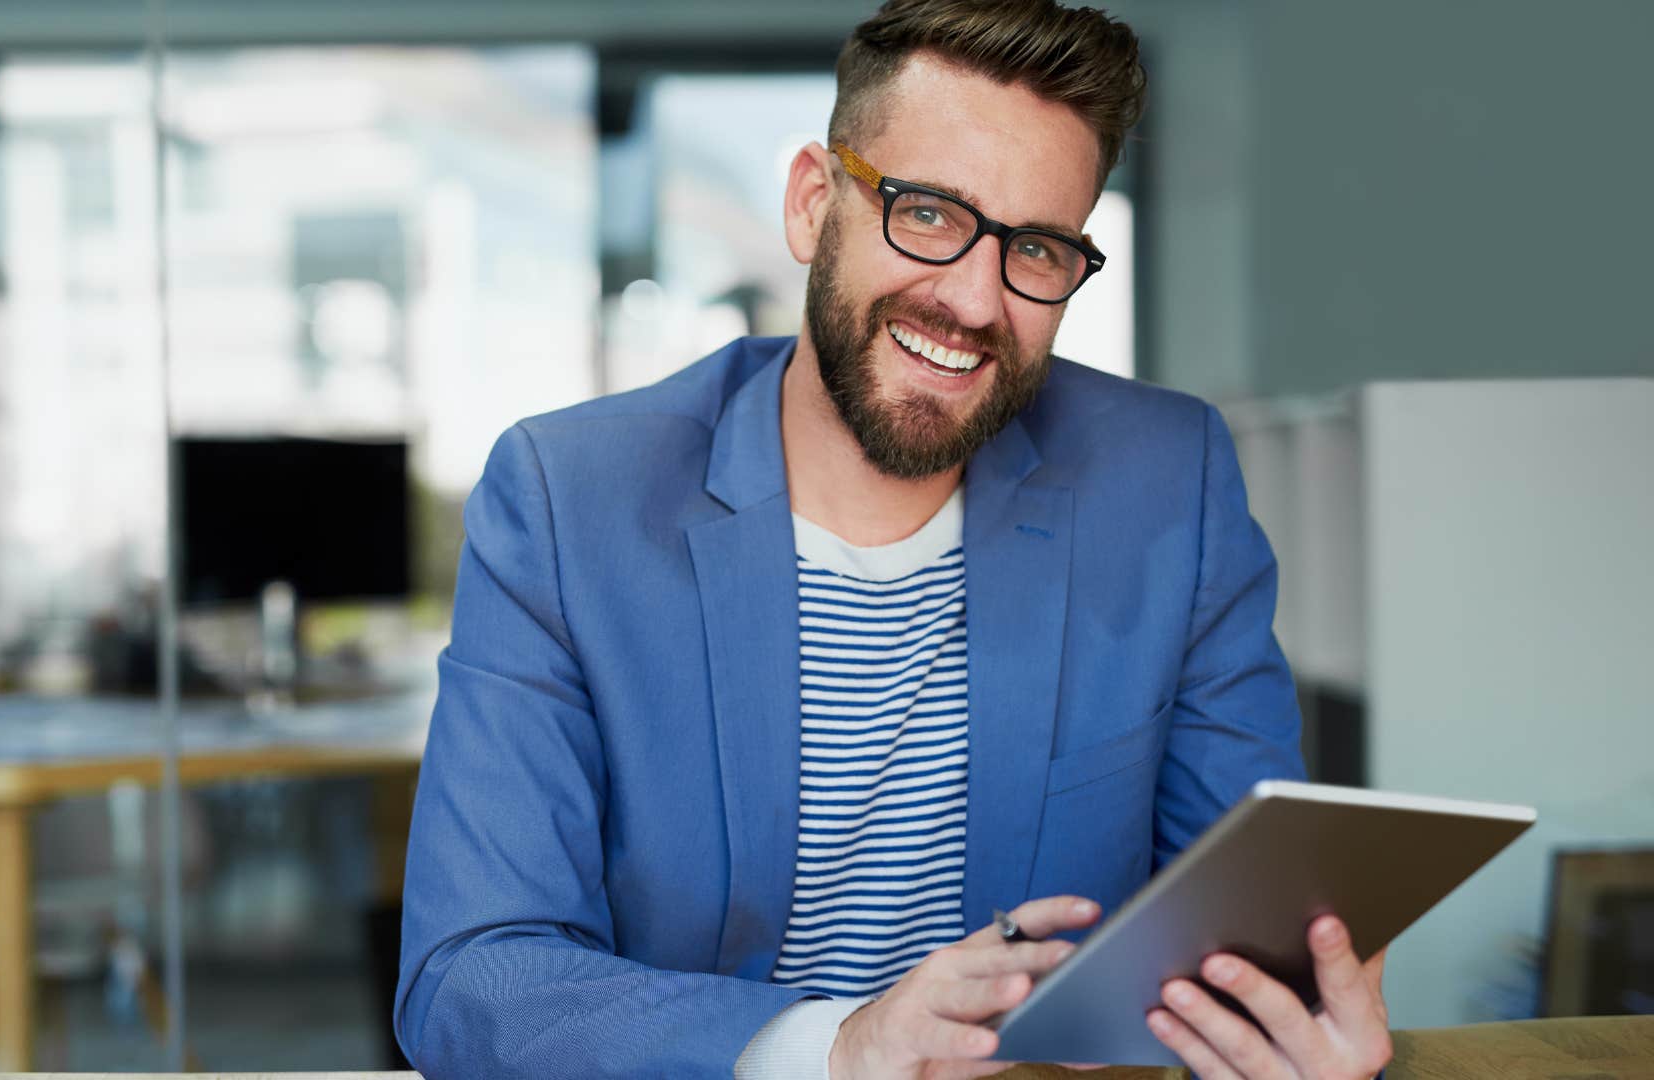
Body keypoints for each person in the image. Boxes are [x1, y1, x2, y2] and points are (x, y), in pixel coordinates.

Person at [395, 2, 1394, 1077]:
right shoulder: (569, 500)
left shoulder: (1168, 481)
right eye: (926, 214)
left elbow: (1248, 928)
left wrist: (1302, 1037)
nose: (972, 299)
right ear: (814, 204)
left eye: (1039, 248)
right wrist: (840, 1047)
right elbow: (472, 978)